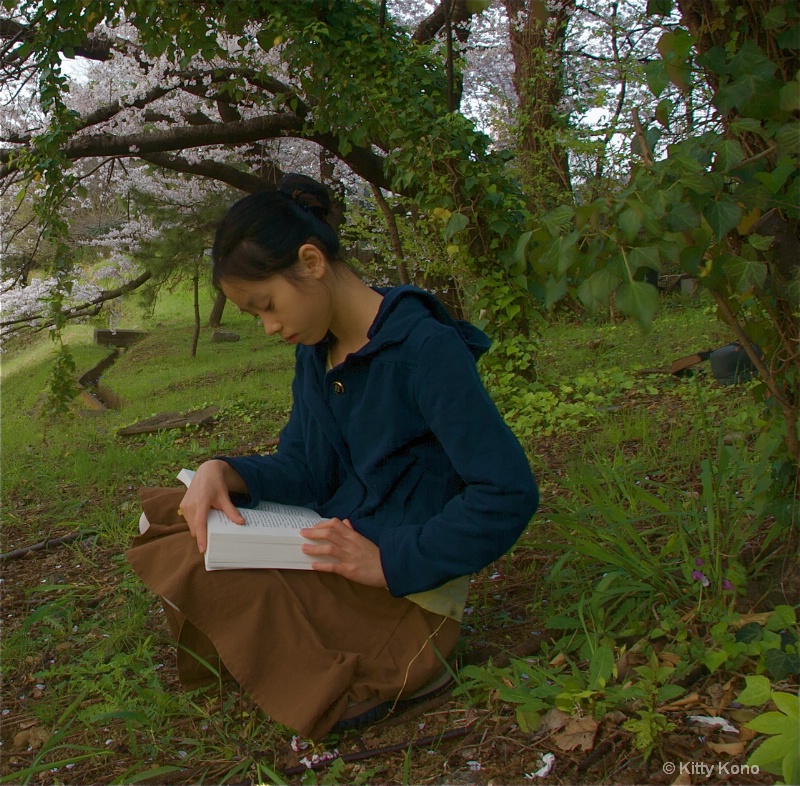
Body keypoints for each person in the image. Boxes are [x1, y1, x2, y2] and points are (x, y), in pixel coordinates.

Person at [125, 173, 539, 740]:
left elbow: (507, 492)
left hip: (402, 590)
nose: (269, 327)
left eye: (267, 305)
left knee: (204, 566)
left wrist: (390, 560)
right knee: (185, 515)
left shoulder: (425, 350)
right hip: (339, 544)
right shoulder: (318, 352)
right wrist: (224, 470)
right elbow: (307, 468)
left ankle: (404, 665)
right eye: (254, 315)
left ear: (312, 261)